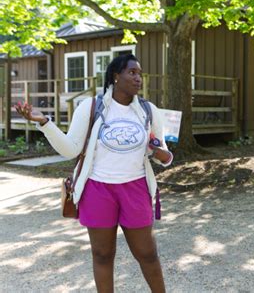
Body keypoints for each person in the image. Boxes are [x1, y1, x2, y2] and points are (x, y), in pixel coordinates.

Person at [15, 54, 172, 293]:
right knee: (102, 255)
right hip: (98, 189)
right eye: (132, 73)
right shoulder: (90, 107)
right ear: (116, 76)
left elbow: (165, 155)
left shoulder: (149, 111)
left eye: (140, 74)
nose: (138, 78)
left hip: (136, 188)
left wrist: (160, 152)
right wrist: (44, 122)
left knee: (148, 254)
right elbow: (71, 149)